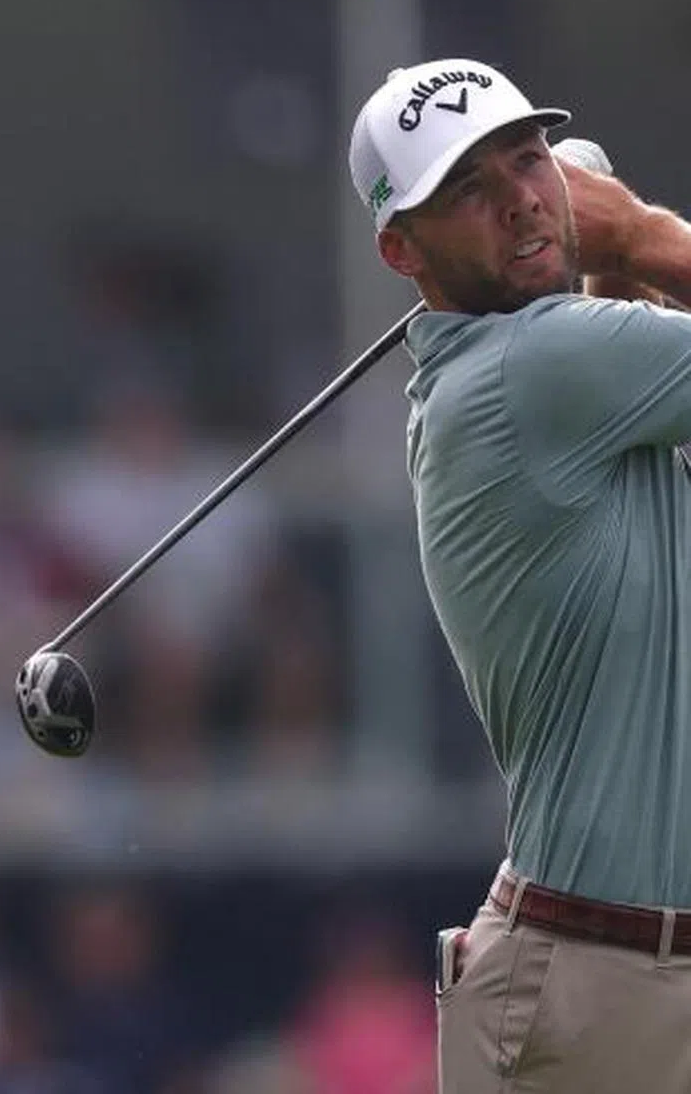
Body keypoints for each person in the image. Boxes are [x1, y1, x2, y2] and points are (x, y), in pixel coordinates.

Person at [349, 56, 691, 1092]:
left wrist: (593, 249)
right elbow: (604, 328)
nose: (519, 201)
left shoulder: (571, 377)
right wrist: (626, 228)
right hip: (602, 994)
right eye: (469, 190)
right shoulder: (521, 375)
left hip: (615, 972)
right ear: (402, 248)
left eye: (528, 160)